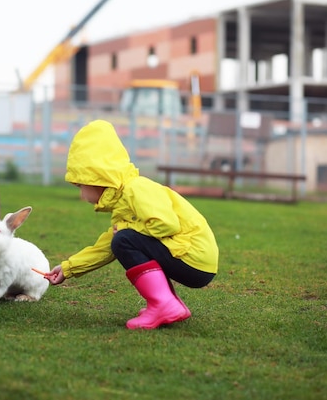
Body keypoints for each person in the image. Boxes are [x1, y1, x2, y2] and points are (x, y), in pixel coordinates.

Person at [45, 120, 218, 330]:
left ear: (96, 177)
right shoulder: (123, 199)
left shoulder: (137, 189)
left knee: (125, 239)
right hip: (192, 259)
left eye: (80, 185)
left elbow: (167, 224)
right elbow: (109, 246)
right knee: (123, 239)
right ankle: (168, 303)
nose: (82, 194)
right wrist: (68, 268)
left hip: (194, 259)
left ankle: (163, 304)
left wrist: (129, 230)